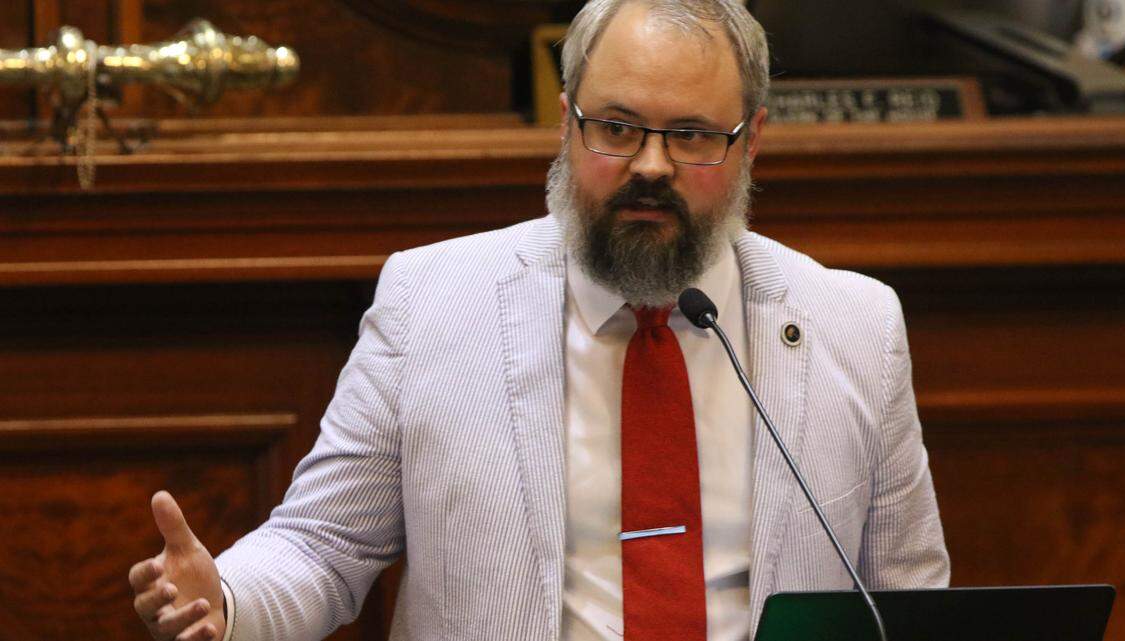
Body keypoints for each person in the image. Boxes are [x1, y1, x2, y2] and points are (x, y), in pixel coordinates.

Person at [128, 1, 950, 640]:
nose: (651, 165)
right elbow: (322, 545)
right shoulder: (431, 302)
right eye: (616, 128)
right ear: (565, 123)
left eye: (693, 136)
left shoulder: (852, 326)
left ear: (752, 141)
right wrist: (227, 598)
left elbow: (910, 601)